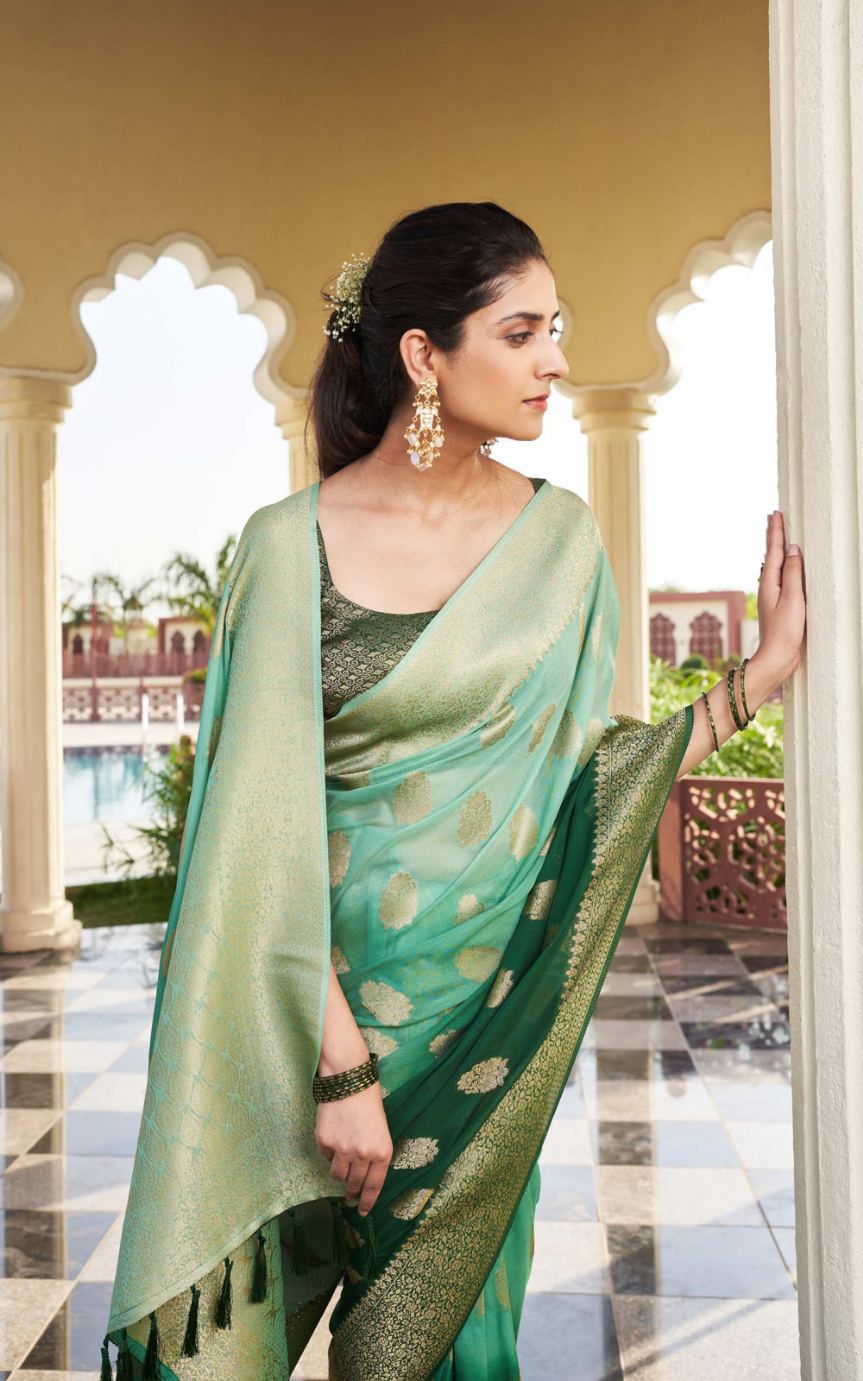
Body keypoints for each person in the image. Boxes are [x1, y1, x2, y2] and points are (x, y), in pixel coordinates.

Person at [100, 201, 806, 1380]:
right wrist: (341, 1070)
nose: (556, 362)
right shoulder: (290, 545)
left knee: (445, 1356)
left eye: (558, 329)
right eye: (521, 333)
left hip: (482, 1038)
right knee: (224, 1342)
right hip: (296, 1038)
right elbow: (255, 830)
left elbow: (584, 781)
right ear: (425, 355)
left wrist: (751, 685)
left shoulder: (560, 541)